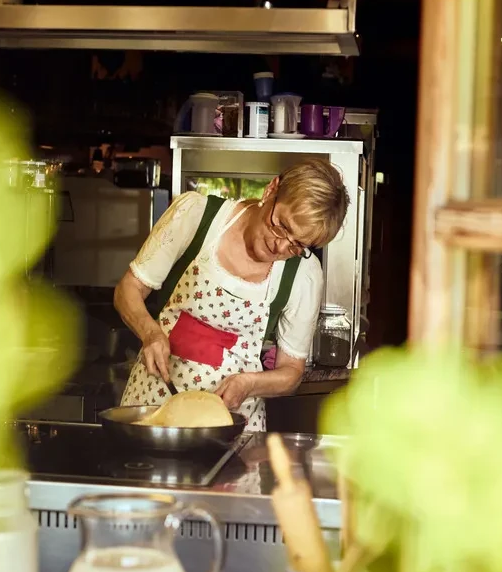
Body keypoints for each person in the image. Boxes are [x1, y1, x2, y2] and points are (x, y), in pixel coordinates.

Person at [114, 160, 350, 431]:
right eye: (281, 226)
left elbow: (291, 372)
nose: (280, 245)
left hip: (233, 424)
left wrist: (250, 383)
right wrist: (150, 333)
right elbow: (128, 290)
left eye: (299, 245)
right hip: (153, 407)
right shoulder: (195, 216)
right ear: (271, 190)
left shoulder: (304, 273)